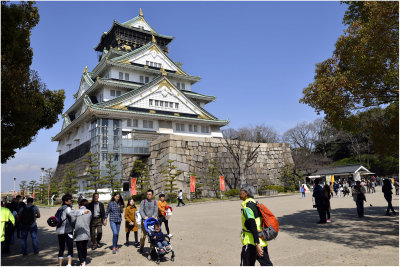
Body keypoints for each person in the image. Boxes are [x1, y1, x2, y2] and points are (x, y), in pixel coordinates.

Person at [239, 186, 273, 266]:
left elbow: (252, 226)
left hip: (251, 242)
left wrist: (257, 244)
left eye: (240, 193)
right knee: (267, 264)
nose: (239, 195)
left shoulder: (248, 207)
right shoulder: (255, 203)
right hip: (261, 240)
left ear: (246, 194)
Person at [57, 193, 89, 266]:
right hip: (67, 231)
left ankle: (60, 264)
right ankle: (69, 264)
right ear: (66, 201)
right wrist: (82, 212)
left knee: (61, 248)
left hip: (59, 231)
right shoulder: (67, 208)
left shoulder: (60, 208)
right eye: (70, 200)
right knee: (69, 248)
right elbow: (73, 214)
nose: (71, 201)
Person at [71, 199, 91, 267]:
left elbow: (73, 221)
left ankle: (82, 261)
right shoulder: (90, 212)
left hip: (78, 232)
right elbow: (90, 221)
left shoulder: (76, 211)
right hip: (86, 231)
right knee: (84, 247)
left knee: (79, 248)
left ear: (80, 204)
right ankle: (84, 260)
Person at [139, 189, 158, 253]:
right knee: (142, 236)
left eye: (149, 194)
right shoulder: (143, 202)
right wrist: (145, 217)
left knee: (152, 235)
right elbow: (141, 210)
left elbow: (156, 210)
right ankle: (141, 246)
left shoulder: (155, 202)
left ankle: (151, 248)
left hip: (152, 222)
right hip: (145, 221)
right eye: (147, 194)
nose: (148, 195)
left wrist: (154, 215)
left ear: (152, 195)